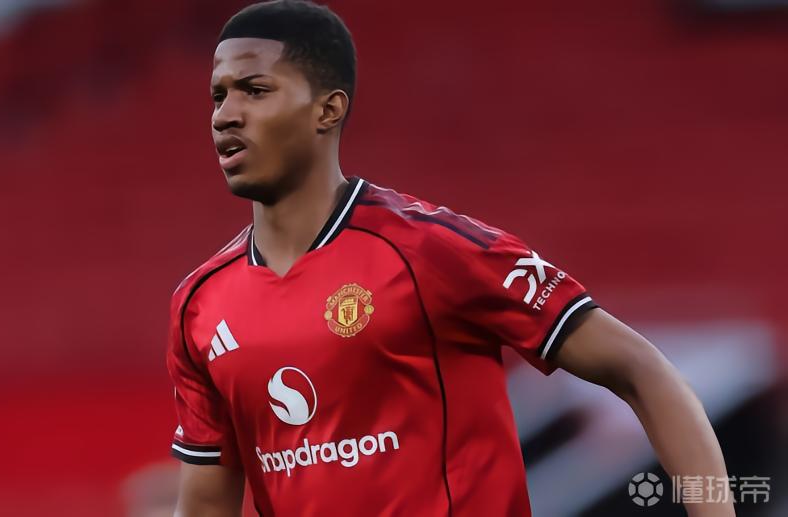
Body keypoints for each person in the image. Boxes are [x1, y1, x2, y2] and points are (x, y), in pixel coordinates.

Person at [167, 1, 734, 515]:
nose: (225, 115)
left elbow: (641, 369)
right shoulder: (199, 304)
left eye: (255, 90)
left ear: (327, 110)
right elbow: (207, 505)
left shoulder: (430, 250)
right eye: (219, 95)